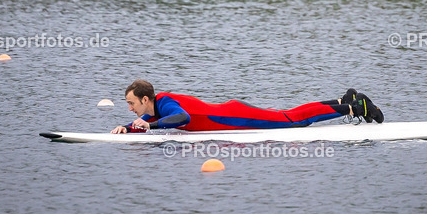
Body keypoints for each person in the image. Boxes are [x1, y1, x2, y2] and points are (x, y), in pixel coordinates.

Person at [110, 79, 384, 133]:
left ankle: (356, 107)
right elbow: (153, 122)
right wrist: (127, 128)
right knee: (288, 115)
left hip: (235, 117)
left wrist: (147, 125)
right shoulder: (156, 110)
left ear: (146, 99)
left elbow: (180, 118)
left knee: (293, 120)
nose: (130, 109)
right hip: (231, 112)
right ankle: (342, 101)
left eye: (132, 104)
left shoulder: (166, 103)